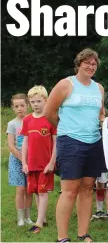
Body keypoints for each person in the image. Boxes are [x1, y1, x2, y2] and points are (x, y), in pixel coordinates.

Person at [44, 48, 106, 243]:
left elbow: (101, 114)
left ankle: (83, 234)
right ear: (79, 64)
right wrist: (65, 128)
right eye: (87, 62)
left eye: (94, 64)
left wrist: (105, 122)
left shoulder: (99, 88)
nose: (90, 66)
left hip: (94, 142)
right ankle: (62, 237)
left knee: (88, 188)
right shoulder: (66, 84)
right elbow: (49, 112)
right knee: (69, 190)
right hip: (70, 142)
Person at [21, 85, 57, 234]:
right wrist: (24, 162)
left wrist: (52, 162)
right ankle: (42, 219)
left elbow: (56, 142)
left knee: (43, 192)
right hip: (31, 164)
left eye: (38, 101)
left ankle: (39, 223)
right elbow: (25, 142)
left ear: (46, 101)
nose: (35, 104)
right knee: (36, 191)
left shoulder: (51, 119)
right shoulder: (27, 119)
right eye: (32, 102)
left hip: (45, 165)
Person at [7, 93, 34, 226]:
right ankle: (20, 218)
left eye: (22, 105)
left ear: (27, 105)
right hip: (17, 161)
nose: (20, 108)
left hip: (31, 160)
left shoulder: (33, 120)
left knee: (29, 190)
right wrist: (23, 160)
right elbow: (11, 146)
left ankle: (28, 217)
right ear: (13, 108)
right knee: (21, 189)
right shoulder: (12, 124)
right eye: (16, 106)